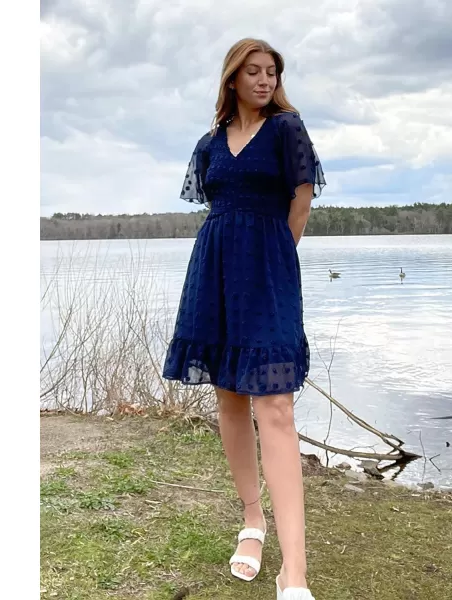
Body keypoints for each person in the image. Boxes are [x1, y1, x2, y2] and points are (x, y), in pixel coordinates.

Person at [163, 37, 325, 600]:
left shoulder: (287, 130)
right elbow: (212, 206)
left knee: (276, 405)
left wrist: (275, 260)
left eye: (272, 72)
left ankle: (294, 571)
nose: (264, 81)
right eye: (253, 72)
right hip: (214, 273)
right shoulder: (209, 143)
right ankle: (252, 520)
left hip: (269, 272)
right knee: (229, 397)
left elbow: (300, 202)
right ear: (232, 78)